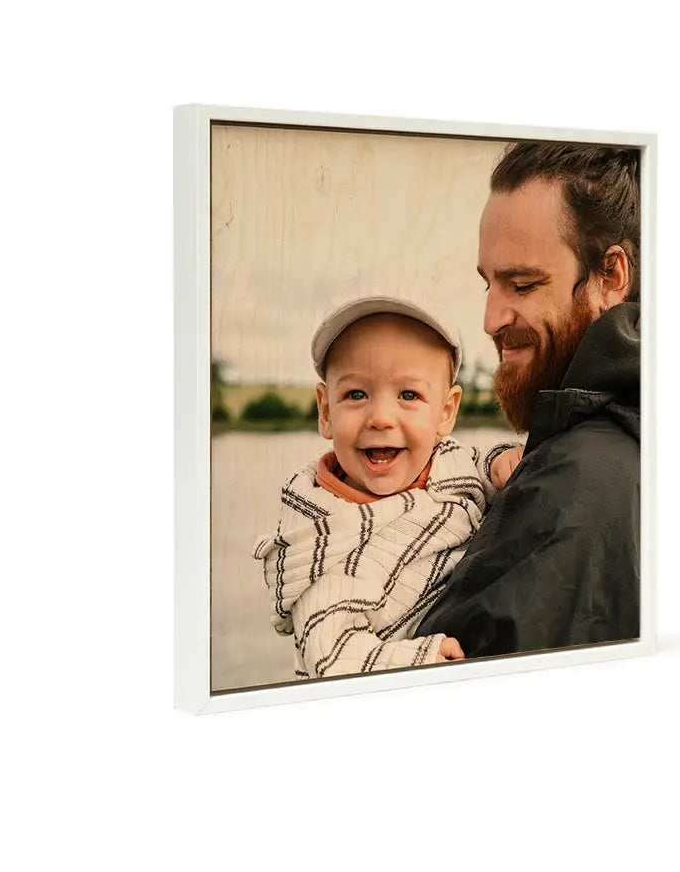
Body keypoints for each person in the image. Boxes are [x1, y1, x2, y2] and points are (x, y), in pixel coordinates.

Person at [415, 141, 642, 657]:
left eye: (521, 284)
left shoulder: (572, 485)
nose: (490, 319)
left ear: (611, 276)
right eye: (489, 284)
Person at [252, 297, 519, 680]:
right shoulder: (317, 543)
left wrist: (500, 462)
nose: (380, 417)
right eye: (356, 395)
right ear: (326, 412)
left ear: (445, 412)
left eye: (408, 395)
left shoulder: (448, 461)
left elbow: (478, 462)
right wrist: (419, 659)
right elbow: (330, 658)